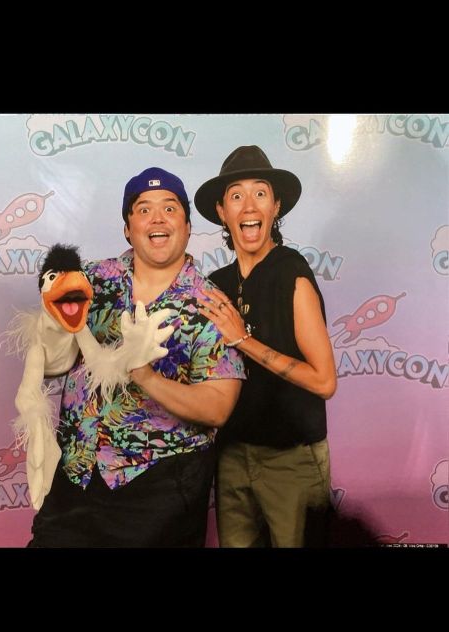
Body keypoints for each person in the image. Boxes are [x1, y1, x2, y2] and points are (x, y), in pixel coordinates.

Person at [28, 167, 245, 547]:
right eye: (144, 209)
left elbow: (217, 407)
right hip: (77, 474)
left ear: (188, 227)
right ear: (128, 228)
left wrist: (145, 375)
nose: (157, 218)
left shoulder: (210, 305)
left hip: (158, 489)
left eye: (170, 208)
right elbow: (54, 361)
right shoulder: (90, 281)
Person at [194, 145, 337, 548]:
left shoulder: (292, 274)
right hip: (231, 458)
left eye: (260, 193)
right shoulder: (215, 284)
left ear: (276, 206)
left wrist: (243, 340)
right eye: (236, 196)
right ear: (222, 211)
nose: (249, 206)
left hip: (292, 458)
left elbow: (325, 381)